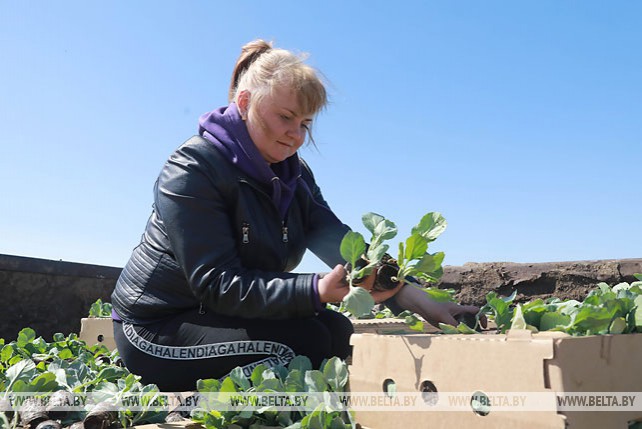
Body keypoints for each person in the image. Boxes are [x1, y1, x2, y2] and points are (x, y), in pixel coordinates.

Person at [111, 39, 480, 391]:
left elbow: (338, 242)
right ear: (244, 103)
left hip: (218, 315)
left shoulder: (294, 176)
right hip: (156, 327)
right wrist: (314, 289)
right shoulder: (193, 168)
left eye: (305, 123)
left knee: (335, 331)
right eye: (286, 117)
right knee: (302, 346)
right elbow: (216, 283)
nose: (296, 135)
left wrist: (414, 297)